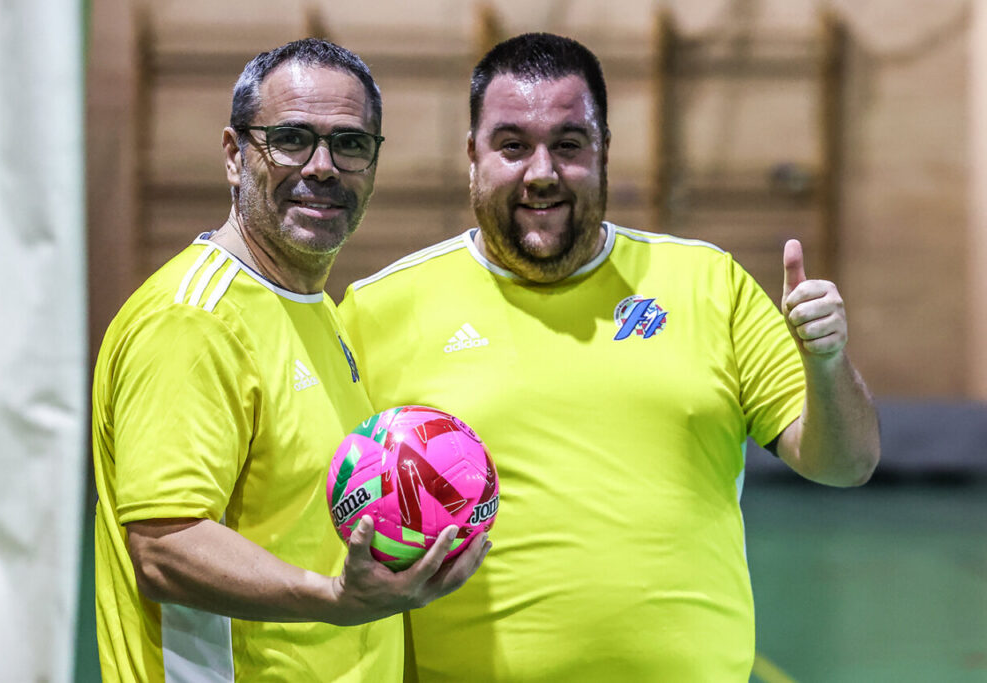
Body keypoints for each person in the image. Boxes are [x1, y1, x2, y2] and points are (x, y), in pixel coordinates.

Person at [338, 32, 880, 681]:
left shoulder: (710, 284)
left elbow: (846, 462)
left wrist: (826, 362)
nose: (542, 171)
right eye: (512, 145)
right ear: (472, 157)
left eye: (568, 145)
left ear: (603, 154)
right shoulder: (379, 310)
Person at [91, 38, 490, 682]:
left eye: (351, 144)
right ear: (233, 154)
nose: (323, 166)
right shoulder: (193, 321)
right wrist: (334, 601)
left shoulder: (317, 310)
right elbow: (164, 547)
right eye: (291, 139)